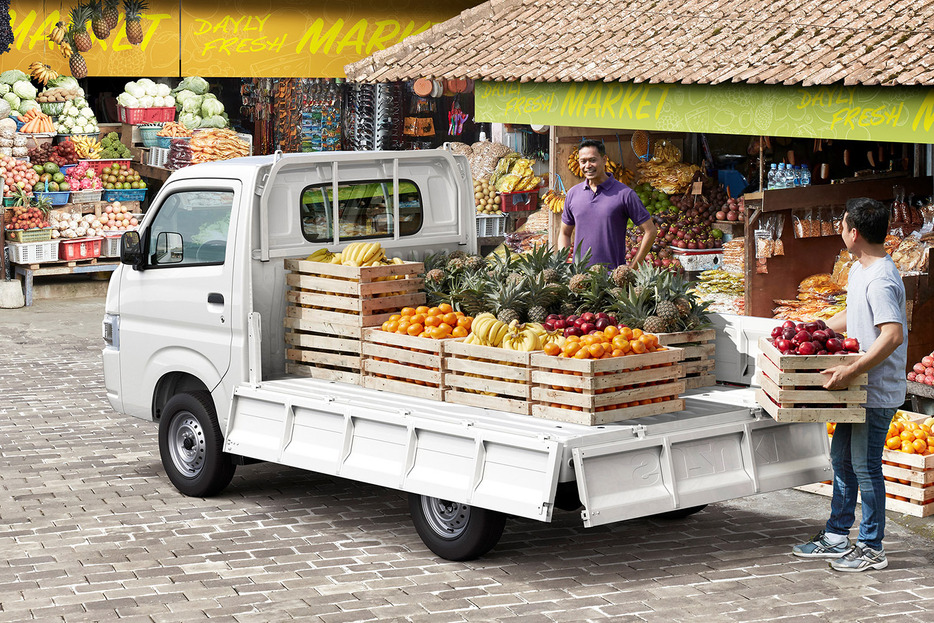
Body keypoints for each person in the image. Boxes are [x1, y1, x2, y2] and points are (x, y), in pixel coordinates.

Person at [792, 197, 907, 572]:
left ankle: (872, 547)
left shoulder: (882, 278)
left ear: (854, 233)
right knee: (842, 459)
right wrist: (815, 327)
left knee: (865, 465)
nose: (839, 231)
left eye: (841, 225)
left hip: (874, 390)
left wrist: (854, 369)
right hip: (857, 388)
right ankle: (837, 535)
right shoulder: (860, 269)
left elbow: (892, 335)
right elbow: (852, 313)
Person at [558, 139, 657, 268]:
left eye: (592, 160)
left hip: (612, 279)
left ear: (604, 159)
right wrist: (562, 264)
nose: (587, 165)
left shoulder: (624, 194)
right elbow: (565, 233)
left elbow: (650, 231)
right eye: (583, 161)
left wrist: (633, 267)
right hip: (580, 277)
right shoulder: (573, 194)